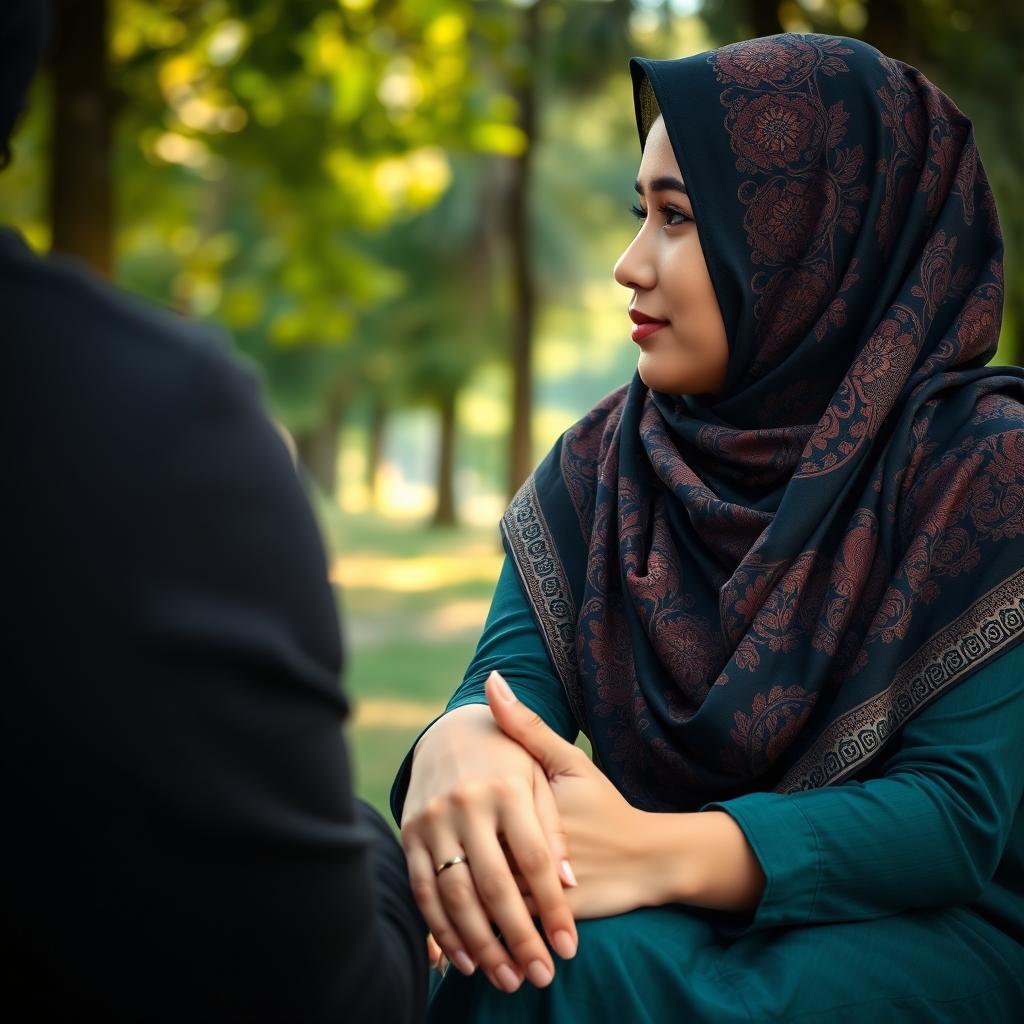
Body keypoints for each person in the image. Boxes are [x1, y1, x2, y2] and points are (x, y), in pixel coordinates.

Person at [391, 32, 1024, 1022]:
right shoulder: (607, 460)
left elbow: (953, 817)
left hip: (928, 928)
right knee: (446, 926)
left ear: (811, 237)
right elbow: (504, 691)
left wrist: (652, 853)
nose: (627, 264)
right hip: (651, 908)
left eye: (678, 220)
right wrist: (460, 742)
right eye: (640, 213)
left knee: (572, 968)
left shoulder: (978, 466)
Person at [4, 4, 428, 1020]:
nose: (630, 264)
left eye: (673, 216)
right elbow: (320, 994)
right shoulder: (144, 423)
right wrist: (378, 834)